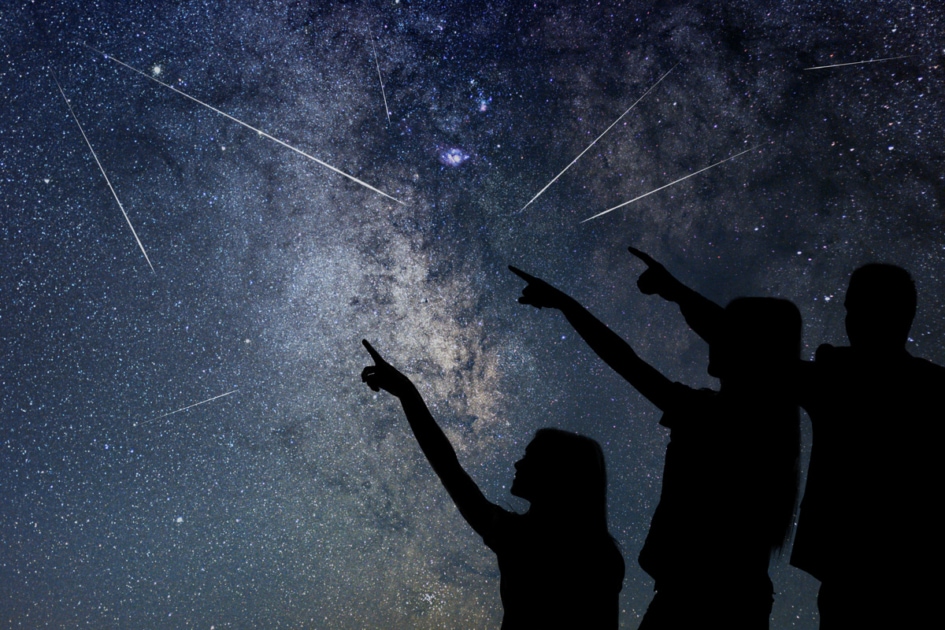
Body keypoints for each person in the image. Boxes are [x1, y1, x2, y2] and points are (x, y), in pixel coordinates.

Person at [626, 250, 945, 627]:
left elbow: (740, 344)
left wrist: (675, 291)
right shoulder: (927, 387)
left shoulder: (841, 382)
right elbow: (742, 344)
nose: (850, 321)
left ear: (894, 314)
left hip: (855, 578)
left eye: (857, 307)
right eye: (850, 308)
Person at [510, 266, 801, 629]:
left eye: (723, 332)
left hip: (695, 602)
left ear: (745, 347)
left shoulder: (711, 415)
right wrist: (674, 291)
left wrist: (566, 304)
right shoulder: (767, 421)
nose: (710, 338)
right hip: (731, 598)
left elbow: (624, 360)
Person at [359, 339, 624, 629]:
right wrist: (406, 391)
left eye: (530, 457)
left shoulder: (521, 538)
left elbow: (449, 469)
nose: (518, 464)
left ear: (557, 474)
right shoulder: (598, 553)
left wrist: (407, 392)